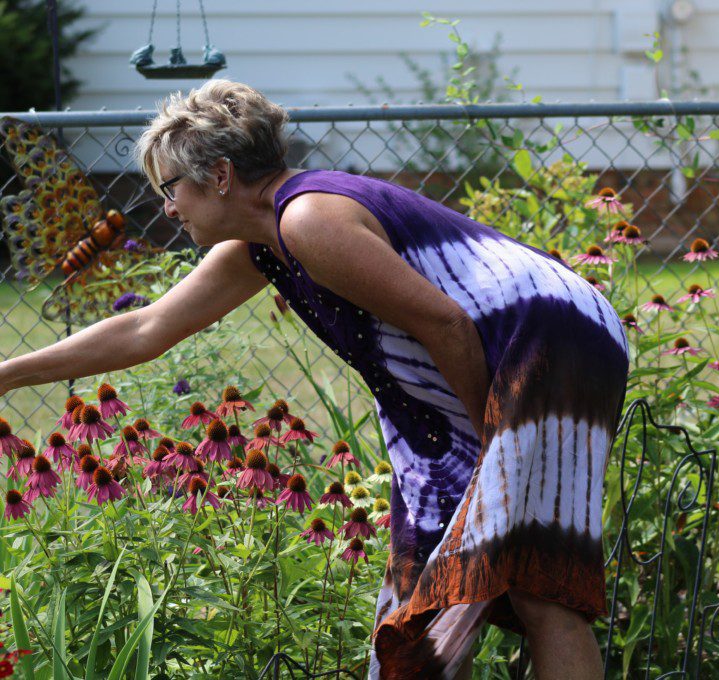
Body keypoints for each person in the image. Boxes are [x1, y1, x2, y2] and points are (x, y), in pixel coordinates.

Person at [0, 80, 629, 679]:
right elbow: (147, 328)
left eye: (171, 188)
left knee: (538, 585)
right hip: (480, 372)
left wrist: (487, 447)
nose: (166, 208)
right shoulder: (263, 241)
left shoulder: (309, 221)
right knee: (420, 600)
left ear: (219, 177)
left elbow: (448, 326)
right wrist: (7, 375)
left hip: (548, 339)